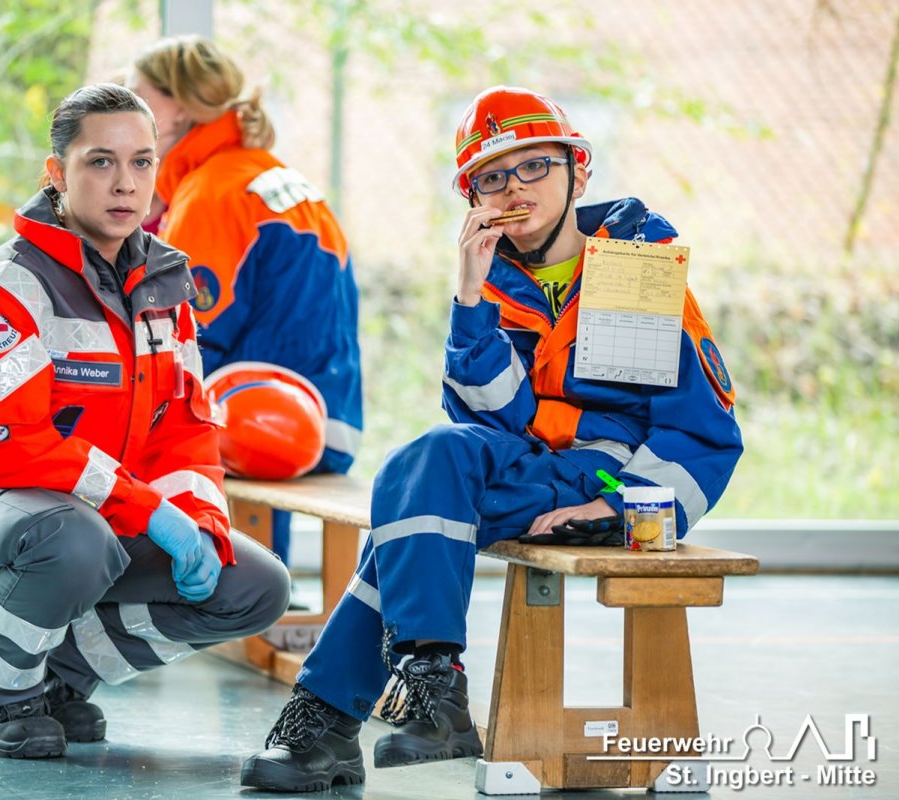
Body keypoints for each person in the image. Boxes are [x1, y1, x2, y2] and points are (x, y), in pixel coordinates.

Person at [239, 86, 743, 792]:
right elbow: (495, 422)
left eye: (534, 166)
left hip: (605, 479)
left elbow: (702, 435)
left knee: (404, 527)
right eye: (493, 176)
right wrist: (469, 299)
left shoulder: (639, 274)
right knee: (425, 459)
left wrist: (622, 512)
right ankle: (432, 684)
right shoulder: (495, 281)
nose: (515, 188)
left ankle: (324, 719)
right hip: (525, 465)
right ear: (471, 195)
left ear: (579, 171)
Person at [0, 83, 290, 759]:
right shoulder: (8, 290)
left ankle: (56, 682)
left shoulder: (164, 288)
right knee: (73, 538)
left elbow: (184, 433)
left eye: (141, 163)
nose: (124, 183)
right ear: (56, 175)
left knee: (251, 585)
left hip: (94, 517)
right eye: (100, 162)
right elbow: (12, 452)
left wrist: (199, 524)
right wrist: (150, 513)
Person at [128, 35, 363, 565]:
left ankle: (225, 587)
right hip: (329, 421)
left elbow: (185, 343)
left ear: (179, 108)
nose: (127, 112)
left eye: (138, 98)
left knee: (106, 425)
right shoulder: (268, 177)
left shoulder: (212, 195)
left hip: (277, 429)